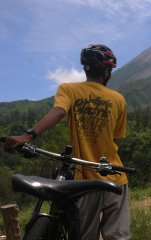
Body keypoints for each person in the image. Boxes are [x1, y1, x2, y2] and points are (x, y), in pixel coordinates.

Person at [3, 44, 130, 240]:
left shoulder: (69, 90)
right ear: (107, 71)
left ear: (85, 68)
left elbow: (59, 111)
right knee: (118, 237)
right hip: (115, 177)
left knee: (84, 236)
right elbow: (114, 138)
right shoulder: (119, 99)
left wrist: (28, 135)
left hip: (86, 183)